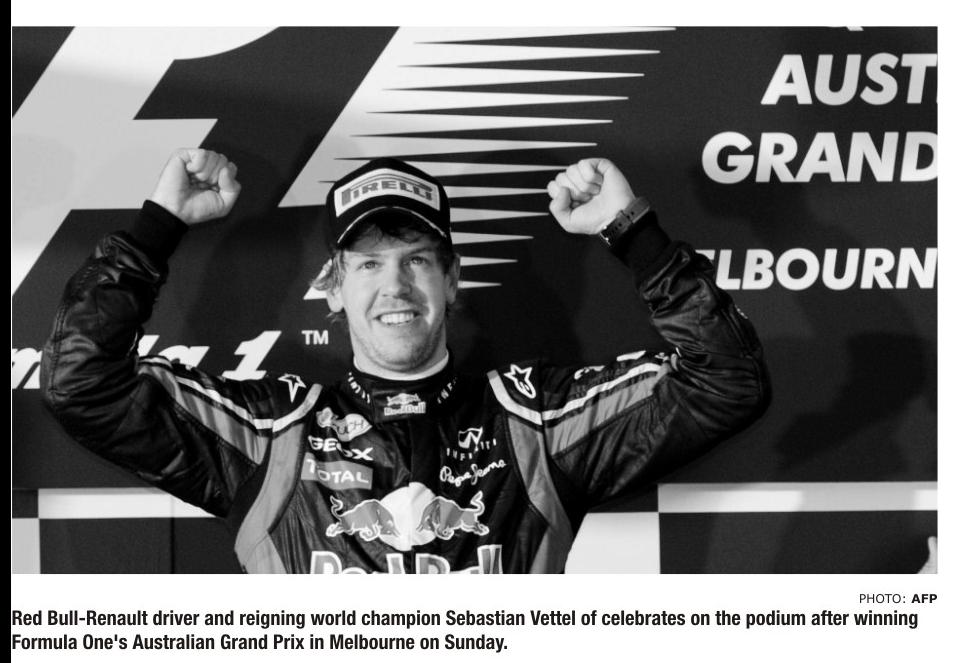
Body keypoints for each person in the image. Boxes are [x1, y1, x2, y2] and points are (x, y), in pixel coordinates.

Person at [41, 149, 770, 574]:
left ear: (452, 281)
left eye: (416, 260)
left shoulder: (537, 418)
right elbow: (81, 381)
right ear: (333, 289)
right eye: (368, 264)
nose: (394, 286)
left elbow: (726, 380)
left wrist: (630, 230)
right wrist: (158, 227)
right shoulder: (272, 432)